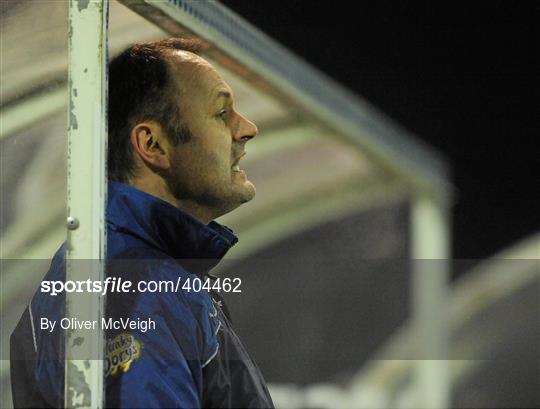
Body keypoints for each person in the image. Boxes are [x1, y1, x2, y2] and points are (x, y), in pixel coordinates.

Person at [10, 38, 274, 408]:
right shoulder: (138, 285)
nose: (247, 128)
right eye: (221, 113)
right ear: (152, 144)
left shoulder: (144, 271)